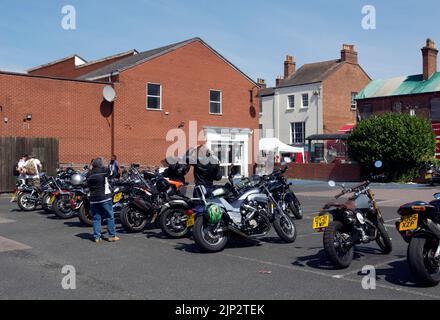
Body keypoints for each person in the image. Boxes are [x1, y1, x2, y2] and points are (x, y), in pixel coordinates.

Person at [86, 157, 120, 244]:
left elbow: (86, 183)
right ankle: (112, 236)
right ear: (101, 163)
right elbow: (114, 173)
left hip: (93, 199)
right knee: (110, 216)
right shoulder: (104, 170)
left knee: (96, 218)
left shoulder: (89, 173)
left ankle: (97, 237)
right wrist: (111, 163)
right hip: (104, 197)